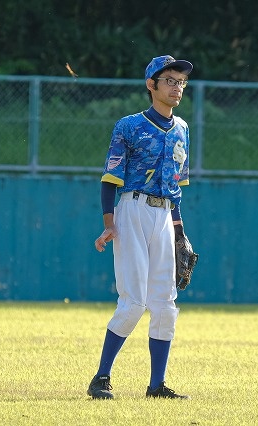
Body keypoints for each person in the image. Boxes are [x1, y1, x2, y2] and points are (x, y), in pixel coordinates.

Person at [87, 55, 194, 400]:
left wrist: (180, 233)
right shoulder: (130, 125)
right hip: (132, 210)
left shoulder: (182, 129)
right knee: (133, 301)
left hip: (164, 216)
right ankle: (101, 378)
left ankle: (157, 385)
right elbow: (110, 177)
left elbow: (175, 187)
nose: (177, 87)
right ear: (151, 84)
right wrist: (109, 223)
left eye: (181, 82)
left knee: (165, 303)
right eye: (170, 80)